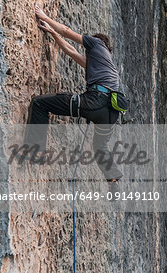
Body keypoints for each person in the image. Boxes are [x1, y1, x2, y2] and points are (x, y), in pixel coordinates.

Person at [22, 4, 122, 188]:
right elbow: (71, 50)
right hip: (111, 113)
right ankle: (112, 178)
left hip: (95, 102)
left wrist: (44, 16)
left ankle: (36, 152)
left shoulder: (97, 44)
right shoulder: (103, 64)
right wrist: (52, 32)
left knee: (39, 104)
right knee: (100, 146)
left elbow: (68, 31)